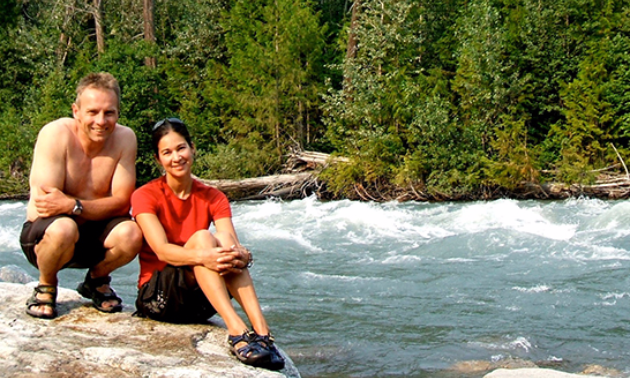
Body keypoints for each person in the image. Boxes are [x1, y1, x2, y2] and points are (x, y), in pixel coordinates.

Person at [131, 118, 285, 370]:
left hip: (201, 304)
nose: (176, 157)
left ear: (192, 148)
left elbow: (231, 243)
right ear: (158, 160)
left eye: (181, 148)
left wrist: (242, 254)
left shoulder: (214, 196)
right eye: (167, 153)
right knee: (204, 237)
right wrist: (206, 256)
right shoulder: (145, 195)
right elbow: (162, 250)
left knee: (224, 242)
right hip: (158, 298)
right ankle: (237, 331)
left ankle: (262, 332)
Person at [19, 72, 143, 319]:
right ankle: (46, 284)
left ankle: (96, 281)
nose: (101, 120)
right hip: (46, 238)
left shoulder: (125, 138)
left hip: (94, 236)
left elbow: (122, 202)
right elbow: (45, 206)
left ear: (118, 113)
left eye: (109, 113)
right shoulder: (55, 135)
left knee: (132, 233)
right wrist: (87, 208)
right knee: (64, 228)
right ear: (76, 111)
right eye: (92, 112)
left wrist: (73, 205)